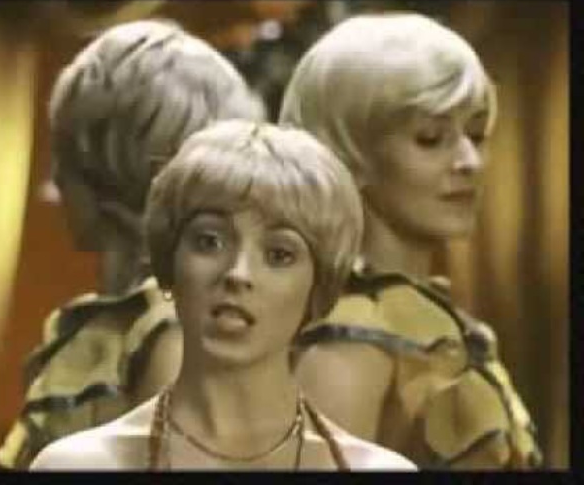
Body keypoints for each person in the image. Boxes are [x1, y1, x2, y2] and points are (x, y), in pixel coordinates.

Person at [29, 120, 417, 471]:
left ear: (319, 287)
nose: (238, 274)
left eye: (279, 254)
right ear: (170, 263)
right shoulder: (78, 465)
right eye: (209, 241)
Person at [0, 20, 265, 469]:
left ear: (106, 163)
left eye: (65, 151)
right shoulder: (109, 324)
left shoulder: (175, 333)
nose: (55, 175)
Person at [279, 12, 543, 469]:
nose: (469, 161)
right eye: (430, 138)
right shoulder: (350, 339)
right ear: (348, 154)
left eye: (477, 134)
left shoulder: (427, 319)